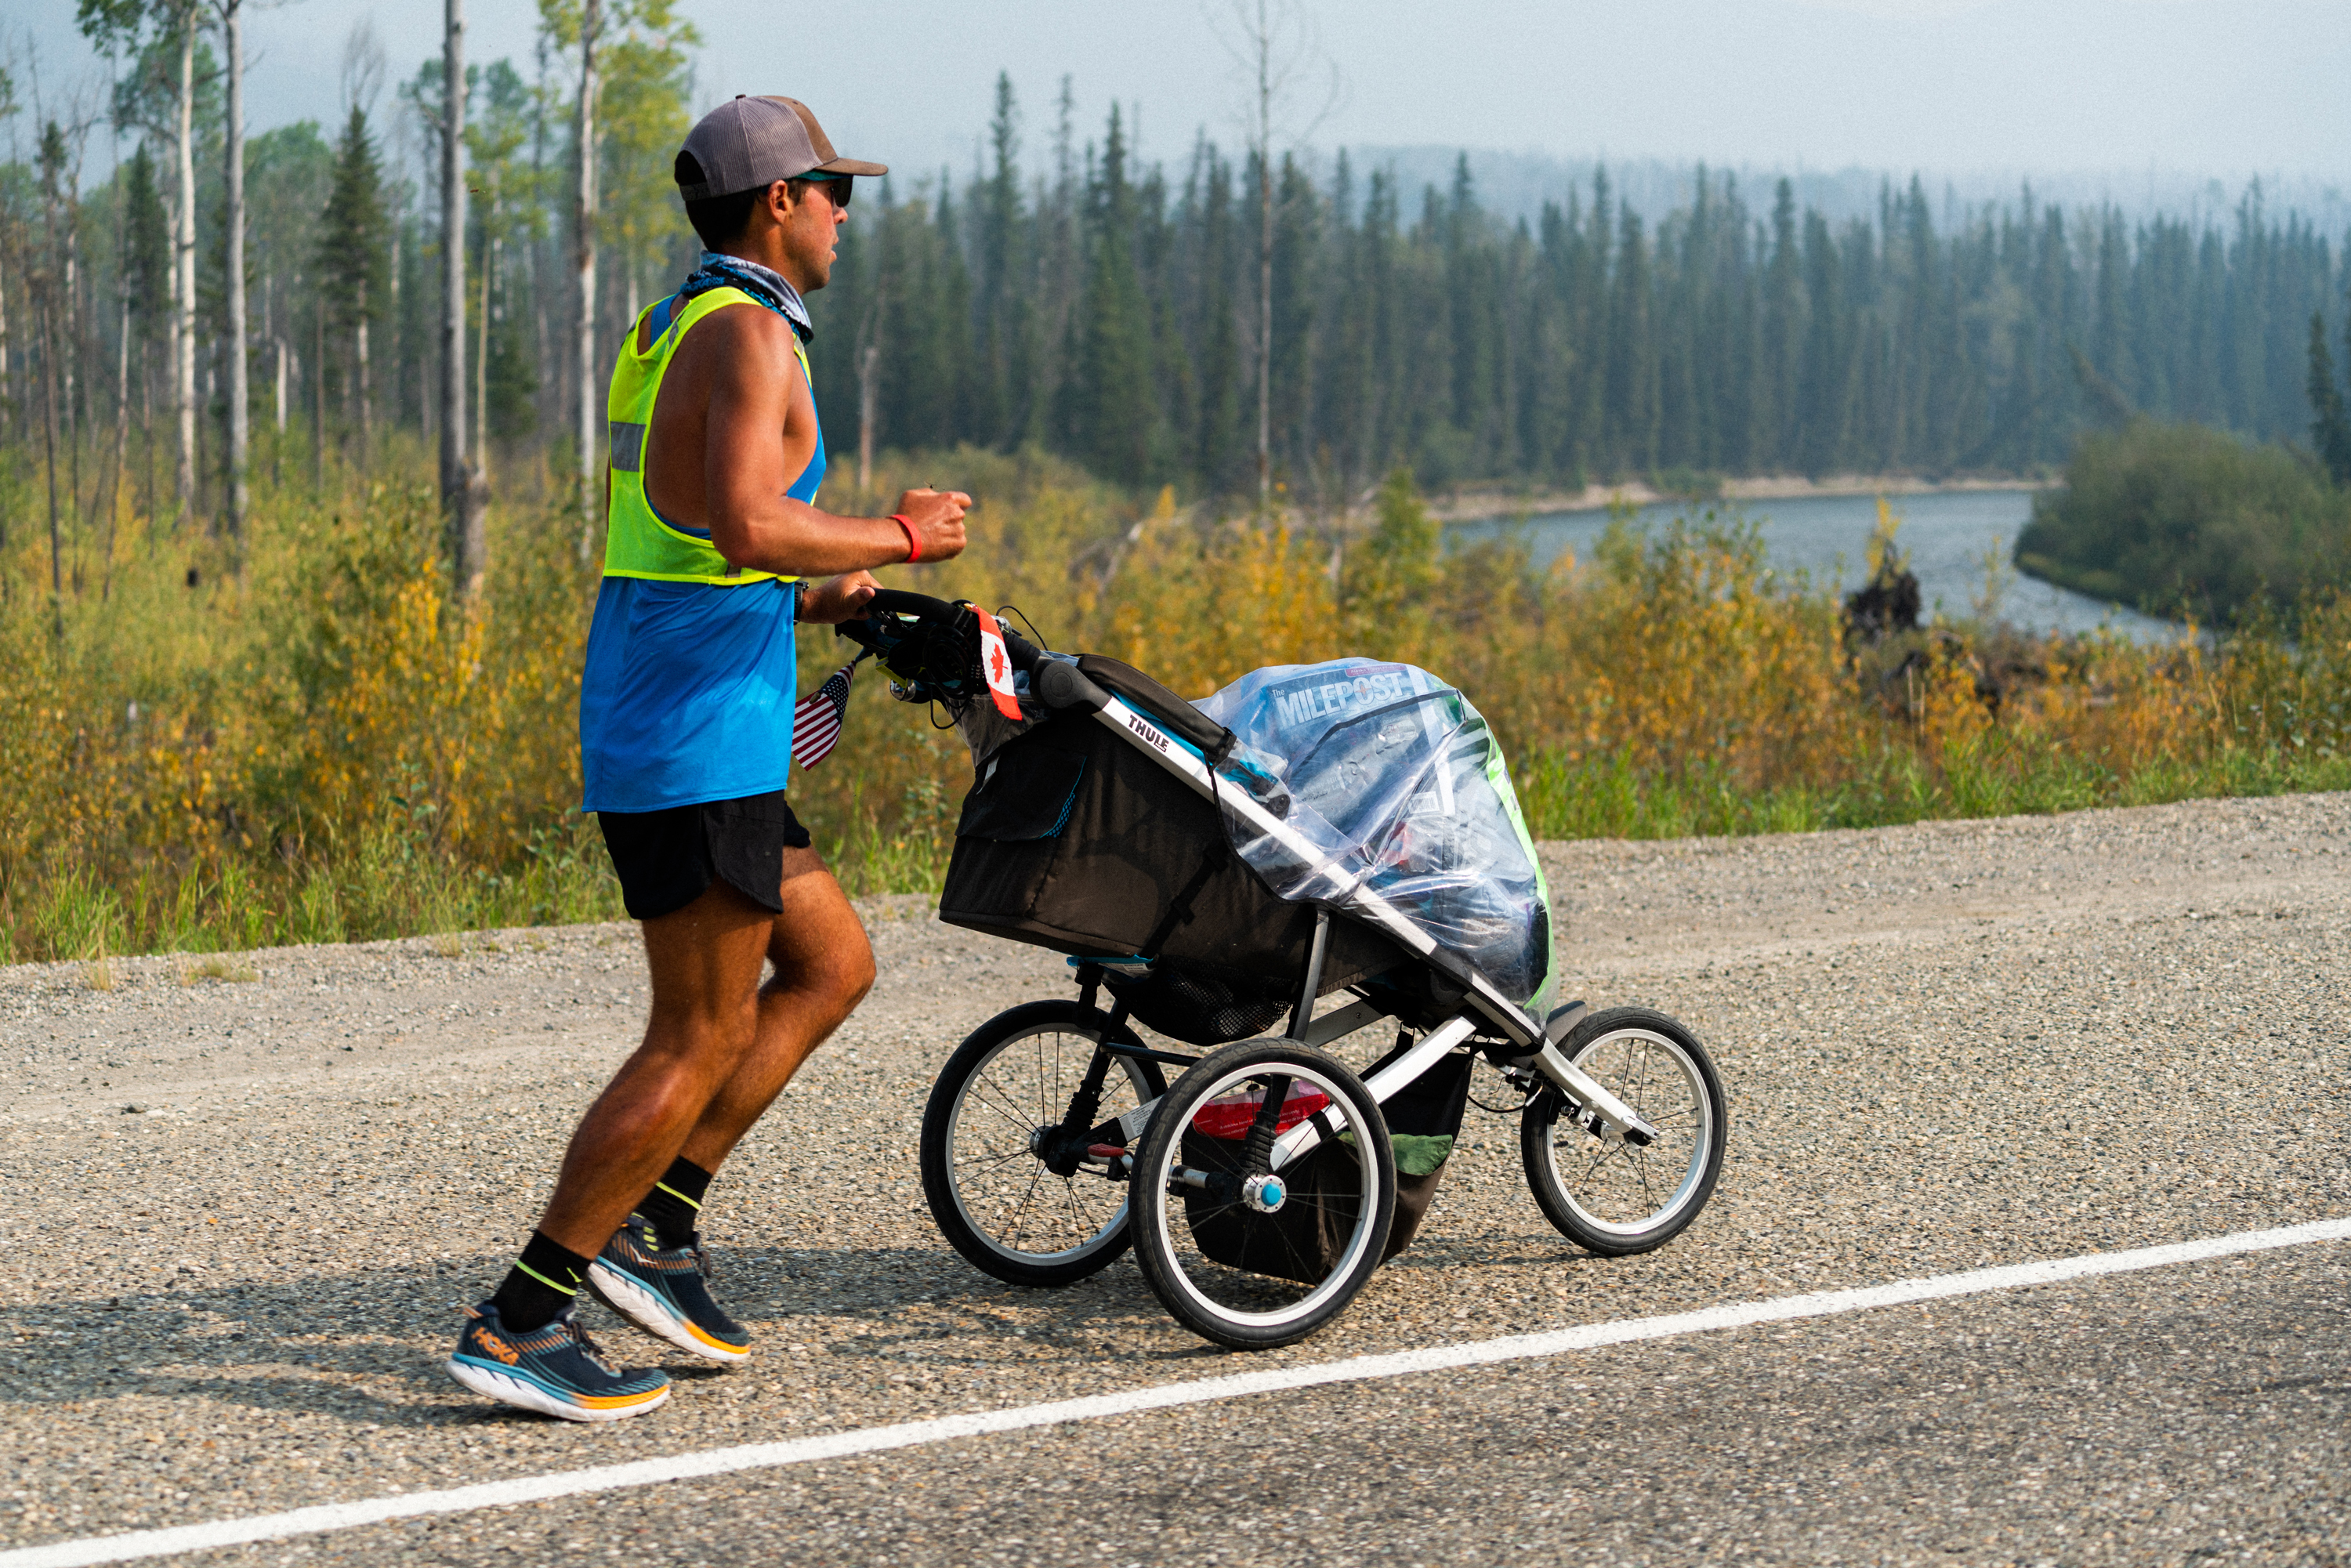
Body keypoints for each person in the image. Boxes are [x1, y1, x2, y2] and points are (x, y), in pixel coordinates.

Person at [446, 95, 969, 1421]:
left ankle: (659, 1226)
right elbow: (744, 517)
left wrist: (817, 594)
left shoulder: (684, 320)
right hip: (688, 735)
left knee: (834, 961)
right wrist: (900, 540)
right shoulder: (741, 331)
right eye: (832, 189)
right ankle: (520, 1318)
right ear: (774, 202)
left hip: (688, 703)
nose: (848, 212)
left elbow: (681, 540)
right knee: (696, 1031)